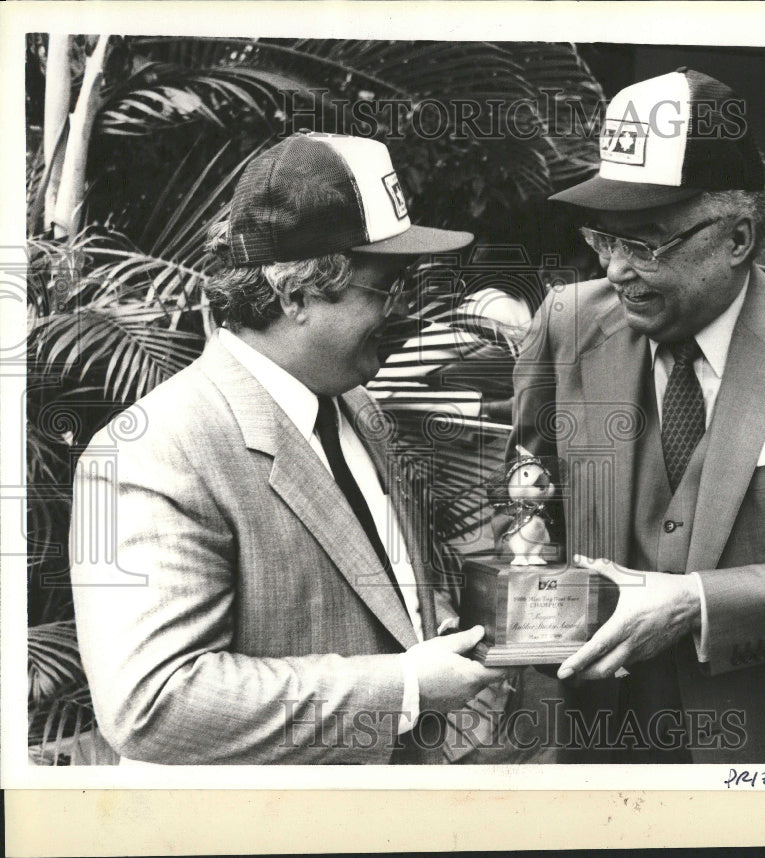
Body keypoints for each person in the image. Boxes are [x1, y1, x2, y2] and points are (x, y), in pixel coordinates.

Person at [507, 68, 765, 763]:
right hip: (605, 736)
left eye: (646, 242)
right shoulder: (566, 324)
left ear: (737, 237)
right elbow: (530, 502)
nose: (615, 271)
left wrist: (695, 602)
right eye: (604, 239)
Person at [70, 133, 505, 764]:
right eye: (385, 288)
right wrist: (406, 687)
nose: (405, 310)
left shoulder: (354, 403)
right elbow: (153, 704)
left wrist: (423, 617)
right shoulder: (153, 452)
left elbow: (369, 583)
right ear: (294, 295)